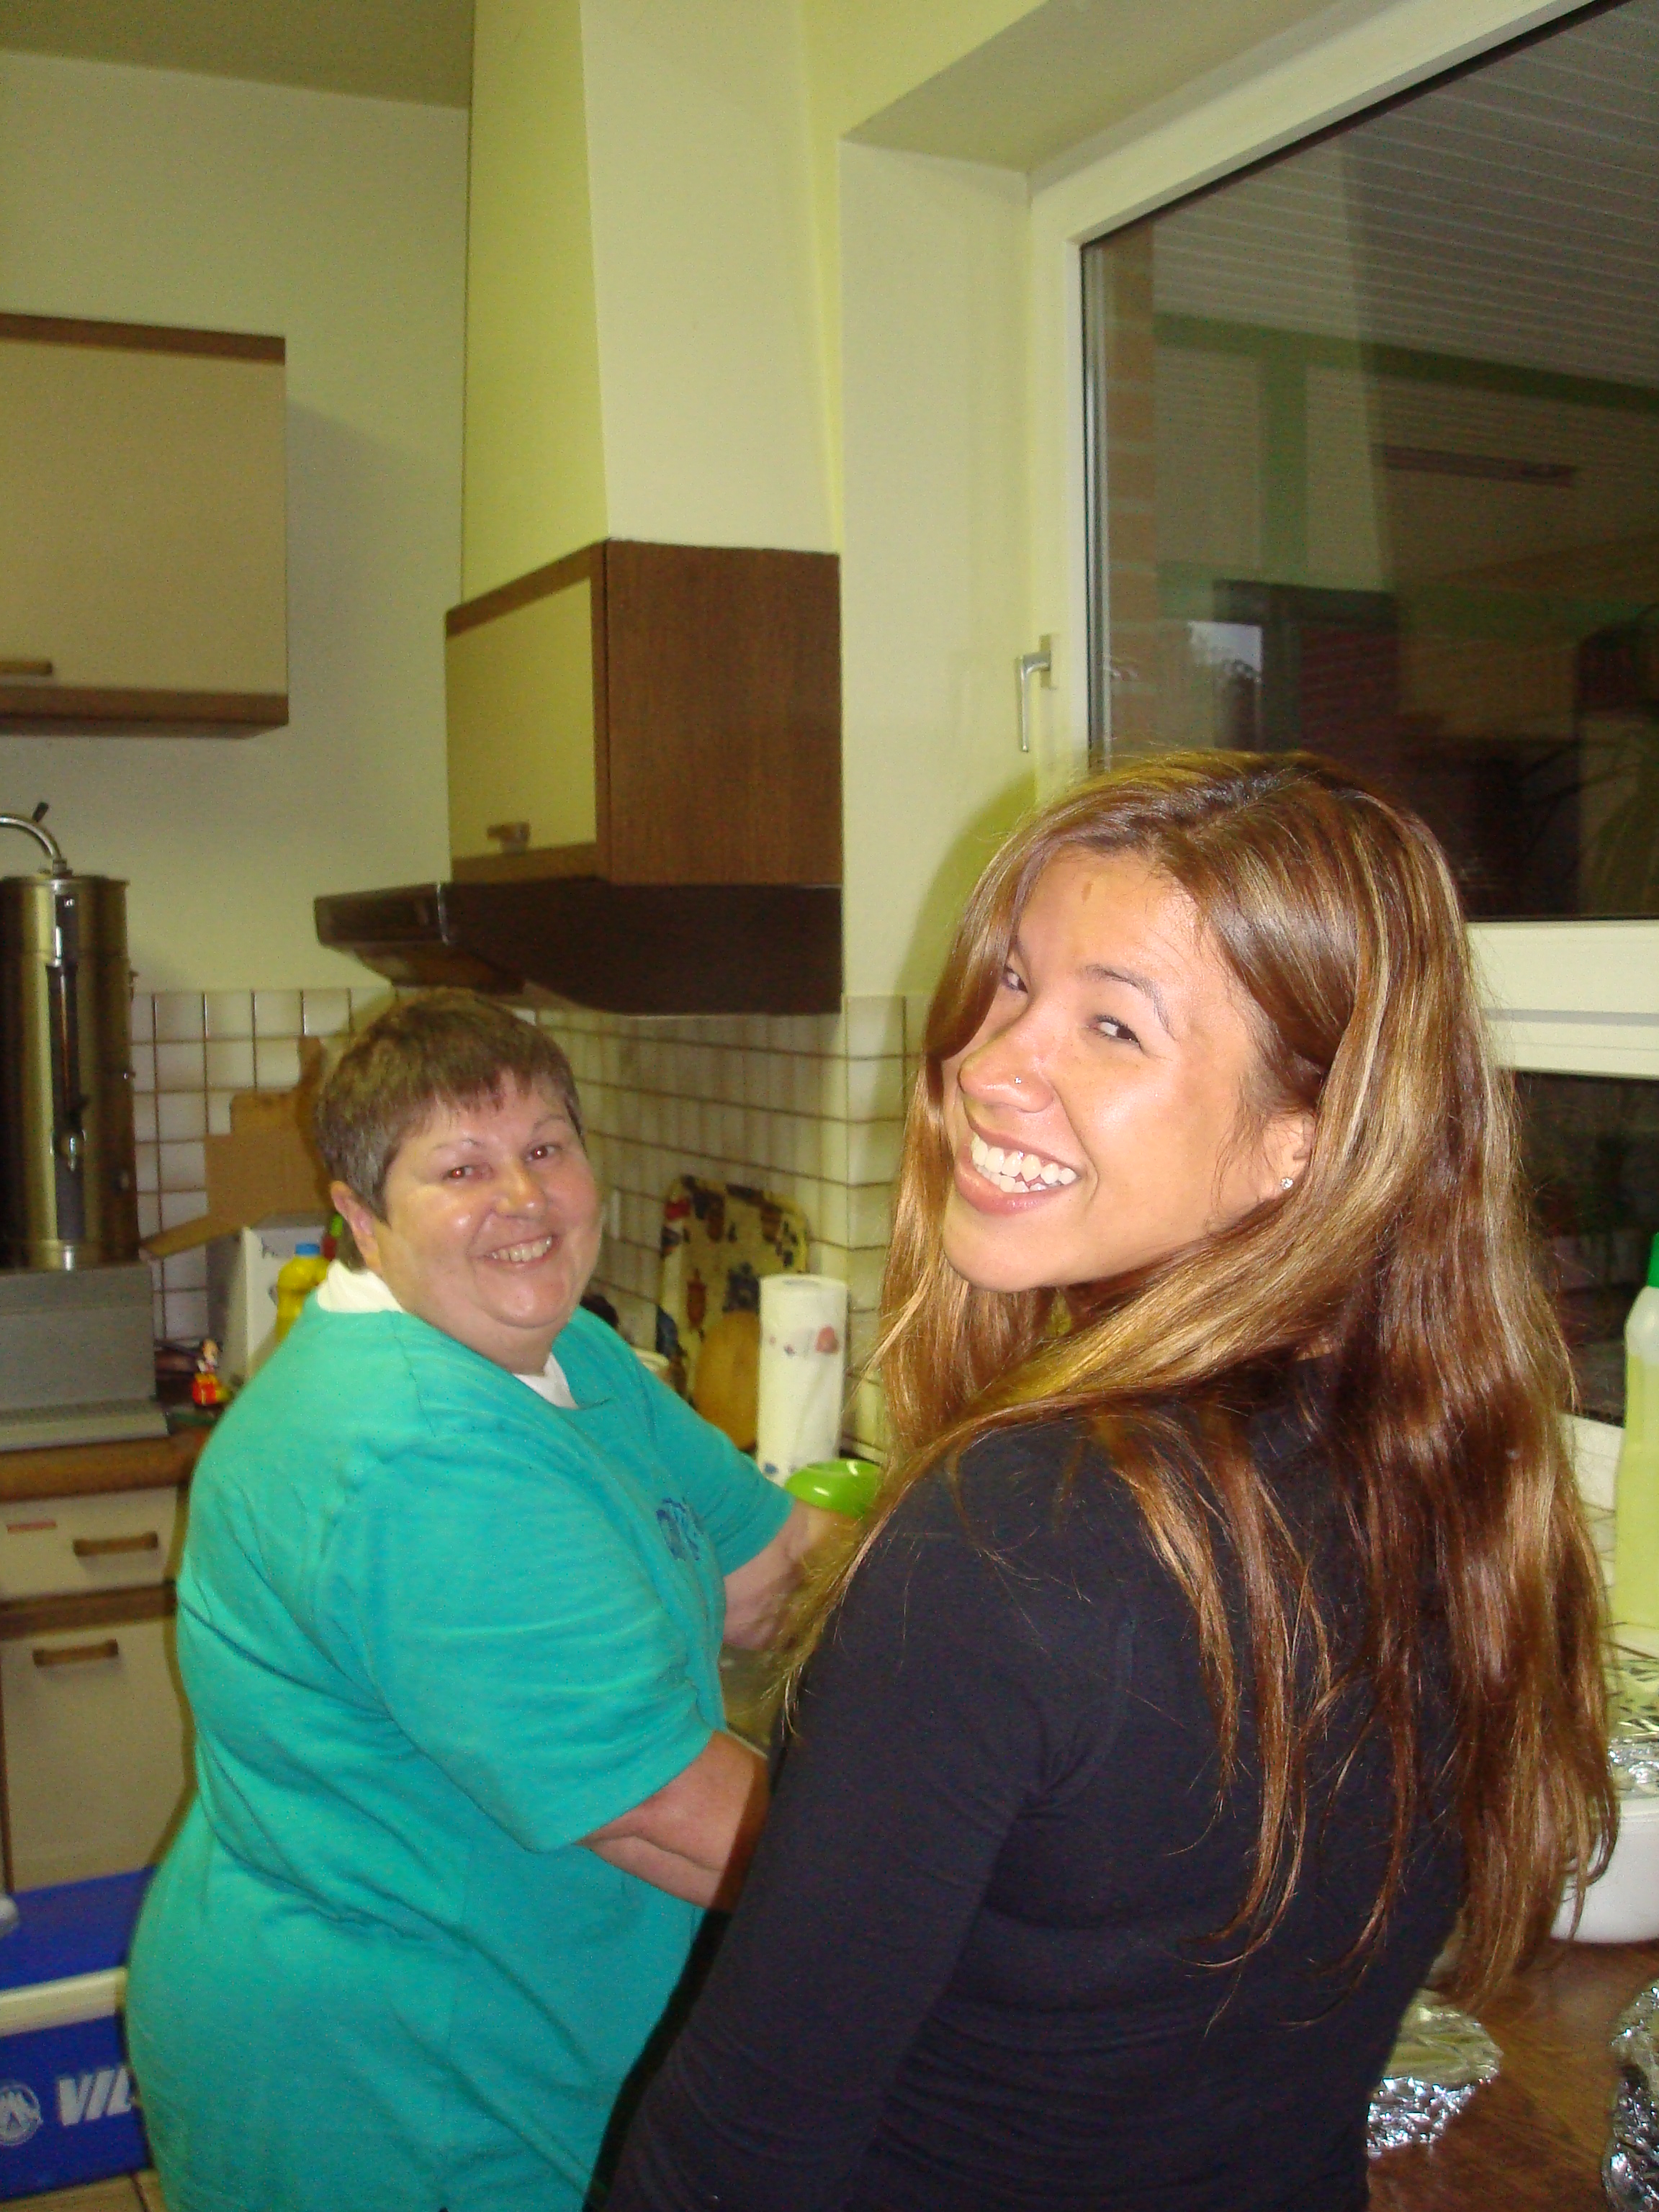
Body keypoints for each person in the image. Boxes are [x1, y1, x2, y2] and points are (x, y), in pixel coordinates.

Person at [608, 752, 1614, 2212]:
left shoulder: (1016, 1534)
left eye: (1112, 1025)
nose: (986, 1064)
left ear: (1300, 1142)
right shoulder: (1453, 1487)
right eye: (1016, 985)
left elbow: (736, 2153)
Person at [127, 989, 827, 2212]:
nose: (523, 1199)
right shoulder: (413, 1448)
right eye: (460, 1168)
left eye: (546, 1148)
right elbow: (664, 1811)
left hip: (519, 2019)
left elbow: (777, 1571)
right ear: (360, 1218)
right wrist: (953, 1897)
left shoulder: (563, 1353)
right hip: (399, 2086)